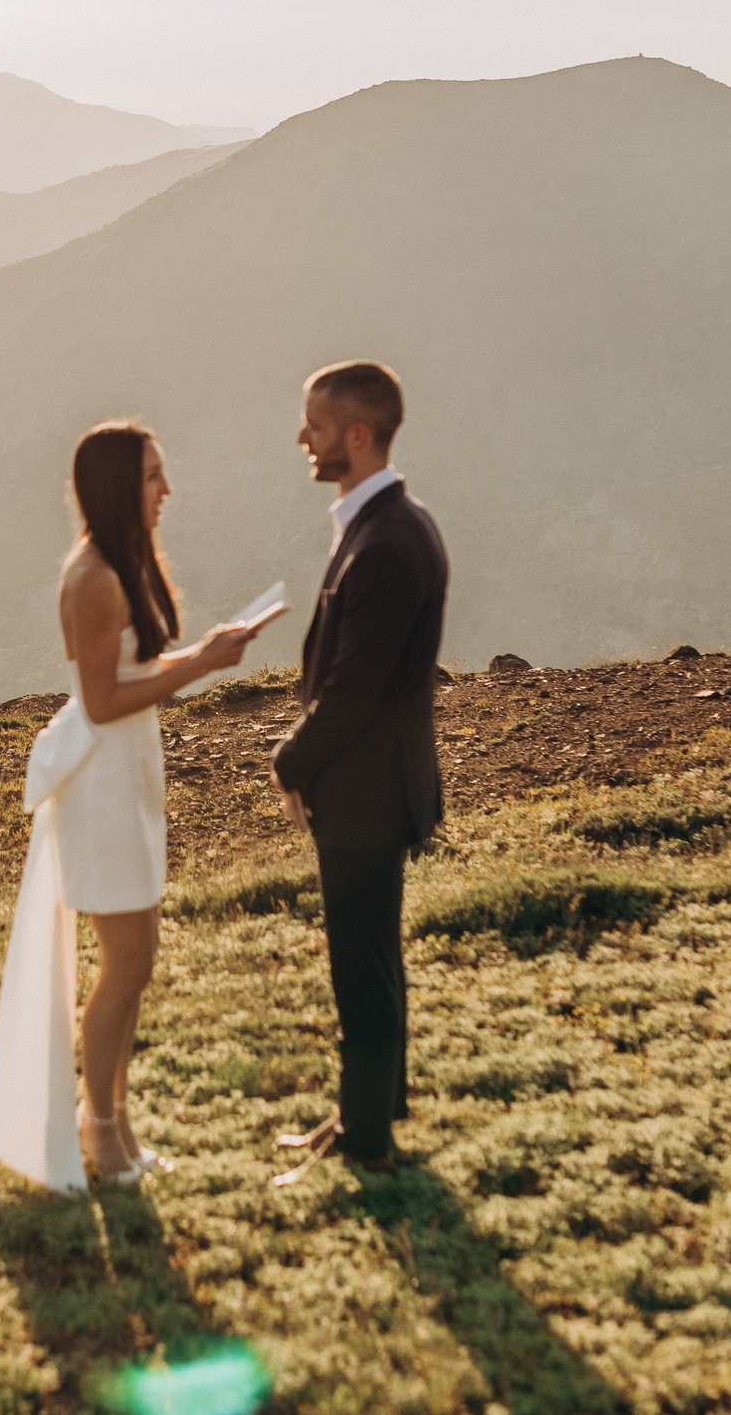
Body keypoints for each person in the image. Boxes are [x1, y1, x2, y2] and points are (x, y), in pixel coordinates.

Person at [0, 421, 265, 1191]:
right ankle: (98, 1125)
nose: (166, 491)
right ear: (116, 486)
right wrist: (203, 665)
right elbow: (104, 701)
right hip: (102, 782)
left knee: (136, 961)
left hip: (128, 773)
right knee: (128, 961)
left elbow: (130, 669)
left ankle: (114, 1117)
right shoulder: (95, 577)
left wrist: (204, 650)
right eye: (152, 477)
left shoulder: (118, 564)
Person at [270, 361, 448, 1175]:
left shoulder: (383, 542)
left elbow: (351, 692)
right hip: (374, 783)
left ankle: (367, 1140)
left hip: (365, 790)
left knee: (361, 966)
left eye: (313, 422)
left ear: (357, 434)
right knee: (375, 956)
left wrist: (290, 760)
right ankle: (367, 1111)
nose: (301, 437)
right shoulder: (392, 525)